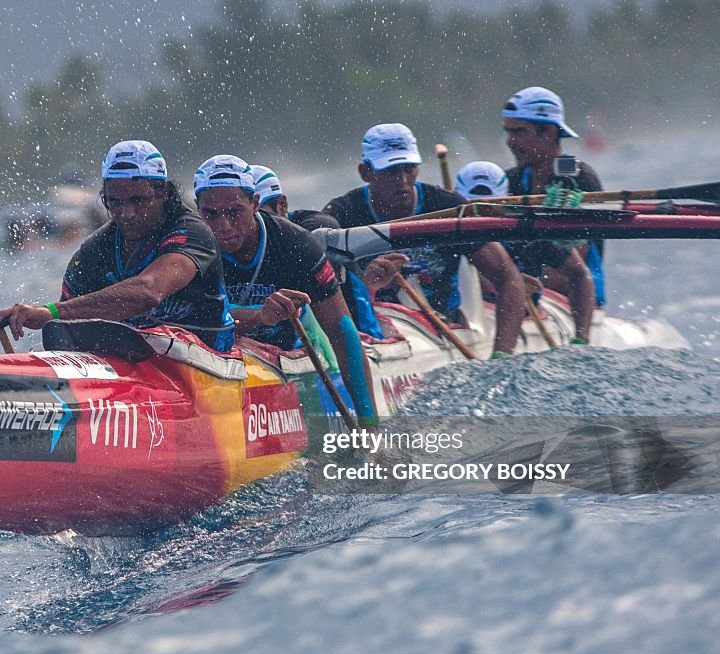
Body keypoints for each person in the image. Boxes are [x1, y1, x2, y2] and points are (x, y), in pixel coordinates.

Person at [0, 140, 235, 352]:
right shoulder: (95, 249)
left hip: (210, 358)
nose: (126, 214)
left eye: (138, 200)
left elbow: (149, 291)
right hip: (141, 362)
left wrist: (51, 311)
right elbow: (65, 327)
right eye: (115, 202)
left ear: (165, 193)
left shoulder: (192, 231)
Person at [195, 155, 380, 426]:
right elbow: (200, 320)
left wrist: (370, 426)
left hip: (288, 350)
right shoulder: (192, 246)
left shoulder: (296, 244)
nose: (223, 226)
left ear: (255, 203)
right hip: (220, 357)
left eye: (234, 212)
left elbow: (343, 333)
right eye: (210, 214)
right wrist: (260, 316)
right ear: (198, 210)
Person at [322, 123, 525, 357]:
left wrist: (502, 355)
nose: (402, 180)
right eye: (390, 171)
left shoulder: (448, 207)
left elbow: (509, 279)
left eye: (409, 169)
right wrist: (367, 285)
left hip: (443, 328)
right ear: (365, 172)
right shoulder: (342, 214)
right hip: (374, 326)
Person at [250, 163, 399, 341]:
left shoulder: (312, 228)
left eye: (261, 214)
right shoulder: (229, 233)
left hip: (348, 326)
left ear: (282, 206)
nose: (252, 226)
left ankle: (368, 337)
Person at [455, 161, 595, 343]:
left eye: (490, 207)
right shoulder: (449, 227)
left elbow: (580, 276)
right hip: (462, 313)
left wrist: (581, 339)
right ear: (456, 201)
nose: (479, 216)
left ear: (508, 199)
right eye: (472, 208)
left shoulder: (527, 231)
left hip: (521, 312)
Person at [501, 86, 607, 306]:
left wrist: (511, 285)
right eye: (508, 132)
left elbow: (570, 273)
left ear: (549, 132)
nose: (510, 141)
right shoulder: (508, 181)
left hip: (571, 297)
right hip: (520, 290)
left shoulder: (578, 178)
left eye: (519, 132)